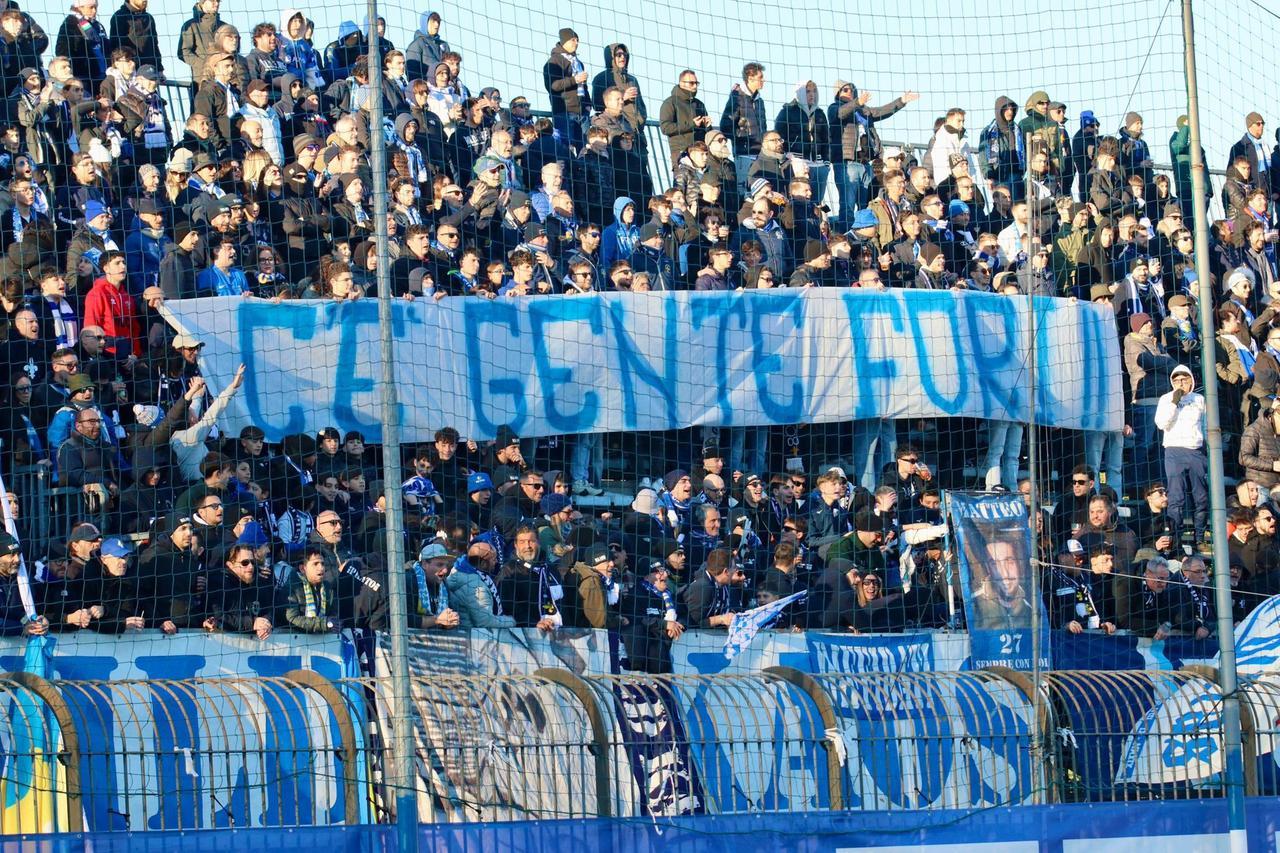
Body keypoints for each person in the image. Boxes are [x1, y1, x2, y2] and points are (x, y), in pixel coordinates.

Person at [1155, 364, 1210, 553]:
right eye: (1177, 380)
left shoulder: (1199, 399)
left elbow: (1206, 425)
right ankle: (1175, 540)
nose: (1181, 383)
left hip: (1196, 451)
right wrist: (1174, 402)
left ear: (1191, 380)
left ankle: (1200, 537)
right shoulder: (1166, 399)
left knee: (1201, 498)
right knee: (1176, 497)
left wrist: (1206, 448)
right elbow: (1162, 423)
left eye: (1184, 379)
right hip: (1173, 451)